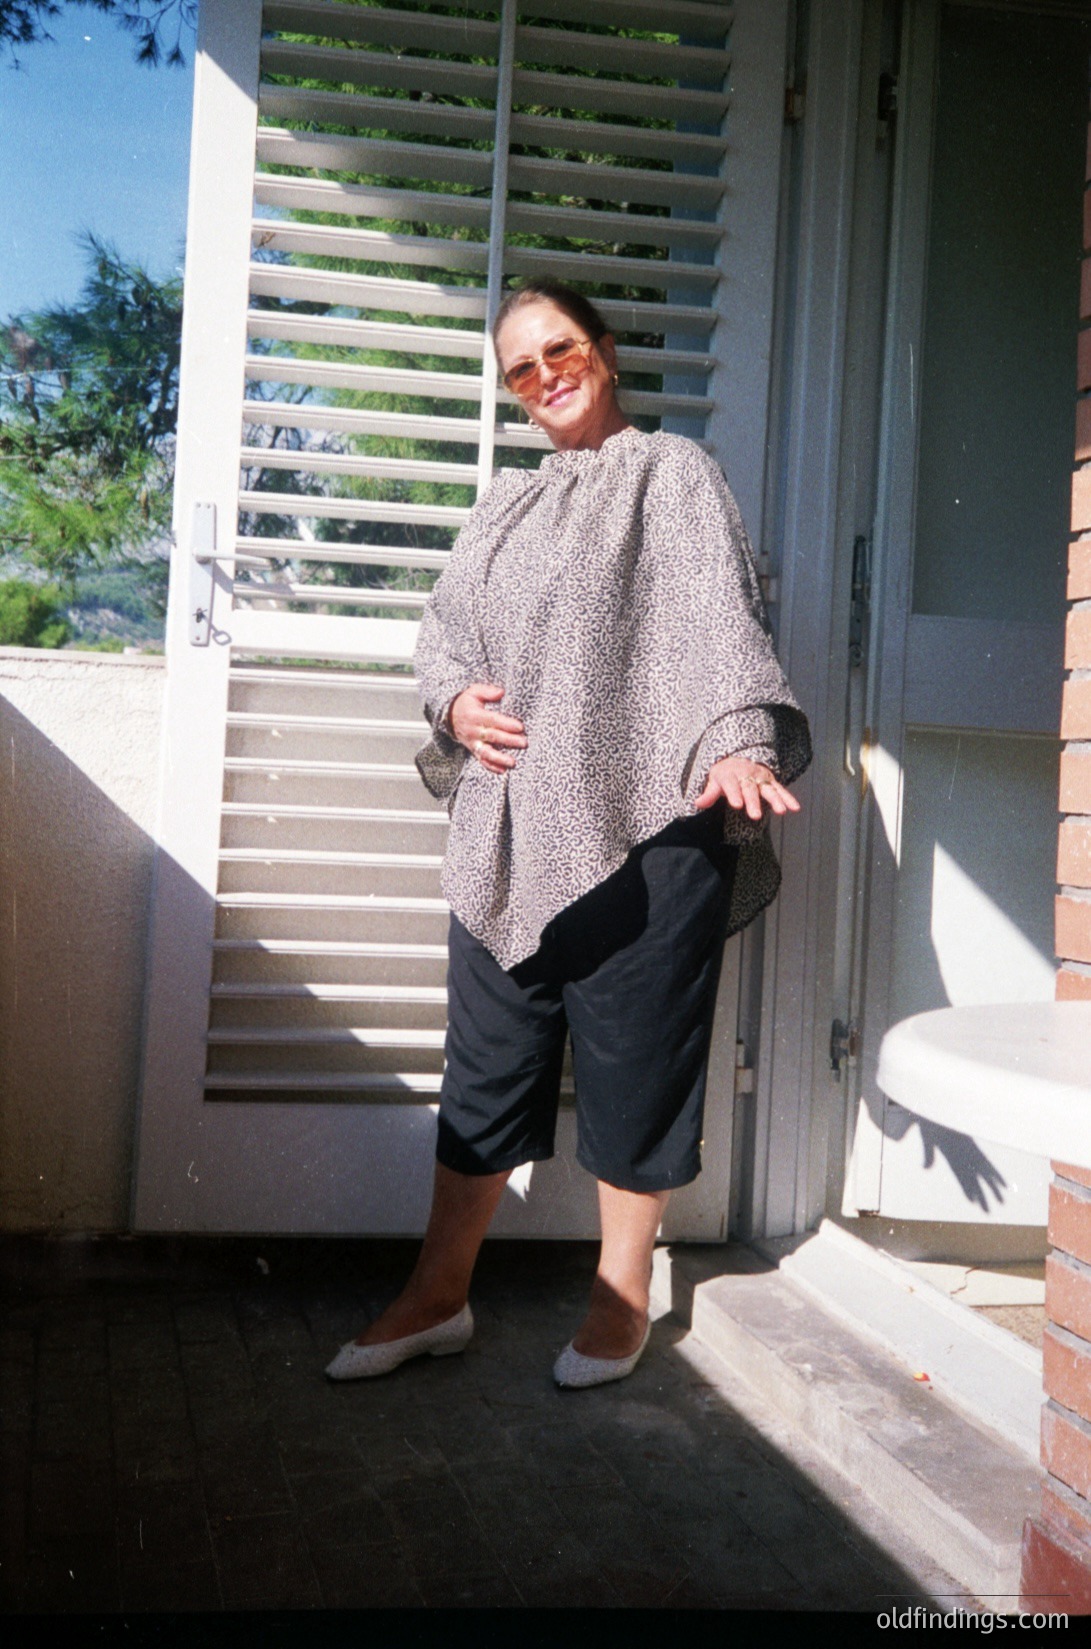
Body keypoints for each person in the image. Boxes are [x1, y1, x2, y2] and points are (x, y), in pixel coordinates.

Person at [326, 280, 811, 1389]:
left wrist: (735, 742)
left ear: (600, 351)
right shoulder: (504, 504)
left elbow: (717, 621)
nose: (543, 373)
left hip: (652, 828)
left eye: (560, 348)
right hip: (510, 831)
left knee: (637, 1065)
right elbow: (444, 635)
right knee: (487, 1066)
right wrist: (453, 705)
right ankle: (437, 1293)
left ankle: (620, 1294)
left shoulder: (672, 473)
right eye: (520, 366)